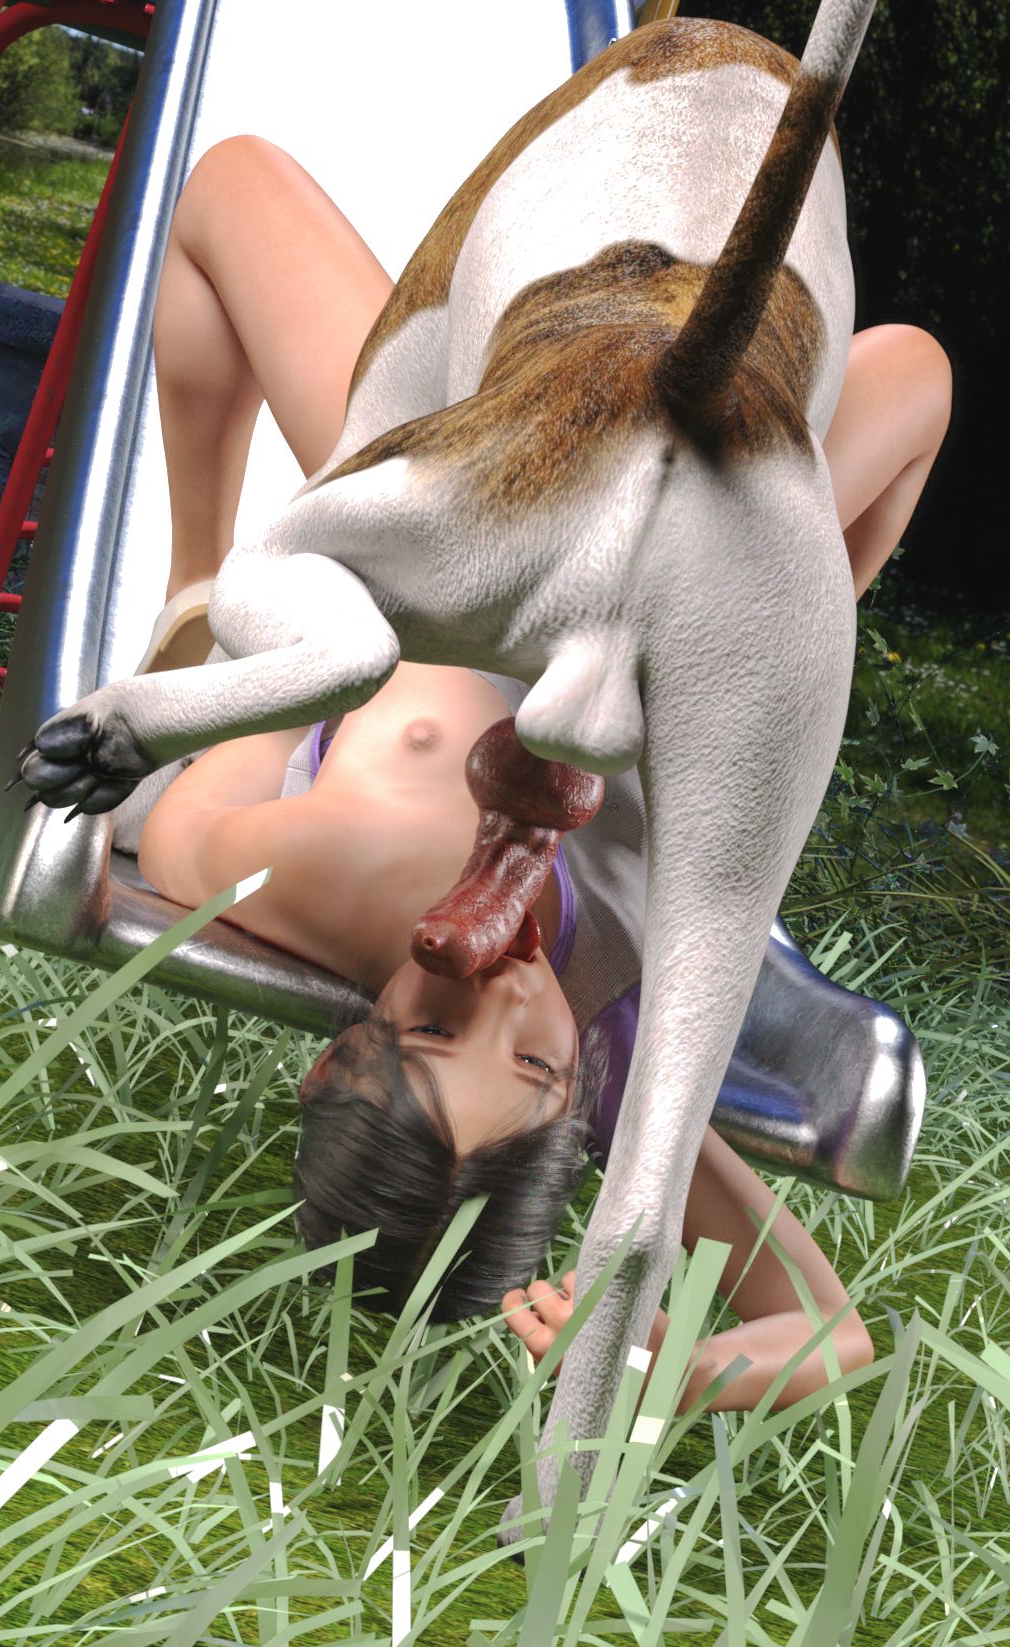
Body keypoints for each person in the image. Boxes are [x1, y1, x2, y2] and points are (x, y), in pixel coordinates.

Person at [132, 134, 952, 1414]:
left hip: (460, 503)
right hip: (665, 572)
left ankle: (192, 562)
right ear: (575, 1113)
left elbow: (188, 825)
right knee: (914, 378)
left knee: (232, 193)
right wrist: (673, 1373)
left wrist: (260, 640)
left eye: (433, 1024)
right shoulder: (622, 1063)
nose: (505, 993)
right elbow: (832, 1332)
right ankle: (788, 597)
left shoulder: (317, 880)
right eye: (533, 1067)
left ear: (333, 1059)